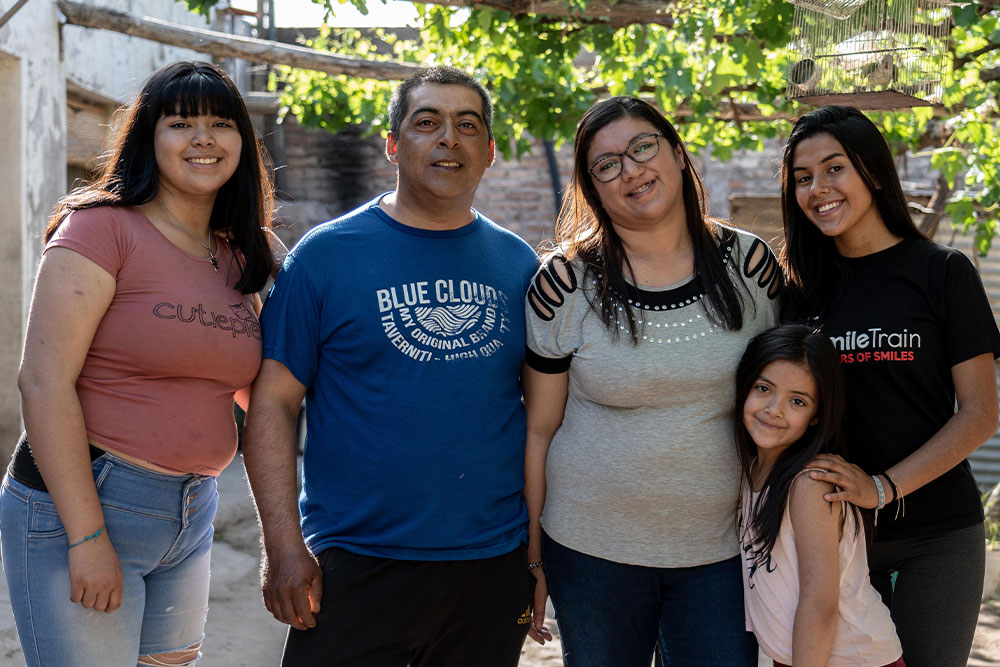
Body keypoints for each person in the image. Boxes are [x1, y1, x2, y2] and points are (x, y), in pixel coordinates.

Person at [242, 66, 539, 667]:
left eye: (467, 125)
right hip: (356, 561)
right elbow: (273, 403)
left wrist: (534, 558)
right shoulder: (325, 257)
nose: (448, 138)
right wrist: (282, 544)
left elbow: (542, 418)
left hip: (489, 564)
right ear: (394, 146)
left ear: (489, 152)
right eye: (426, 122)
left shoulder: (519, 265)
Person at [0, 61, 278, 666]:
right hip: (86, 500)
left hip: (191, 508)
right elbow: (42, 381)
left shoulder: (243, 254)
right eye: (181, 122)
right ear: (149, 139)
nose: (203, 138)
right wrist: (87, 537)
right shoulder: (101, 229)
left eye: (221, 123)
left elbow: (268, 393)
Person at [521, 96, 779, 666]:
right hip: (590, 552)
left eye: (643, 147)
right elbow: (539, 431)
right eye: (607, 165)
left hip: (722, 551)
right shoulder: (563, 283)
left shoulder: (752, 267)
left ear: (677, 152)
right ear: (592, 189)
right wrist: (534, 557)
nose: (631, 170)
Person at [779, 105, 1000, 667]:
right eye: (803, 178)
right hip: (835, 537)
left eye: (834, 169)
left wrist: (882, 487)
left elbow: (979, 414)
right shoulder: (797, 294)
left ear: (873, 171)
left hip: (940, 536)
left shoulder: (943, 271)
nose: (817, 189)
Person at [735, 324, 904, 667]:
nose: (774, 408)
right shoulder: (750, 469)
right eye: (763, 388)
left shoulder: (809, 484)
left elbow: (820, 603)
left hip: (850, 660)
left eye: (797, 400)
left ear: (817, 417)